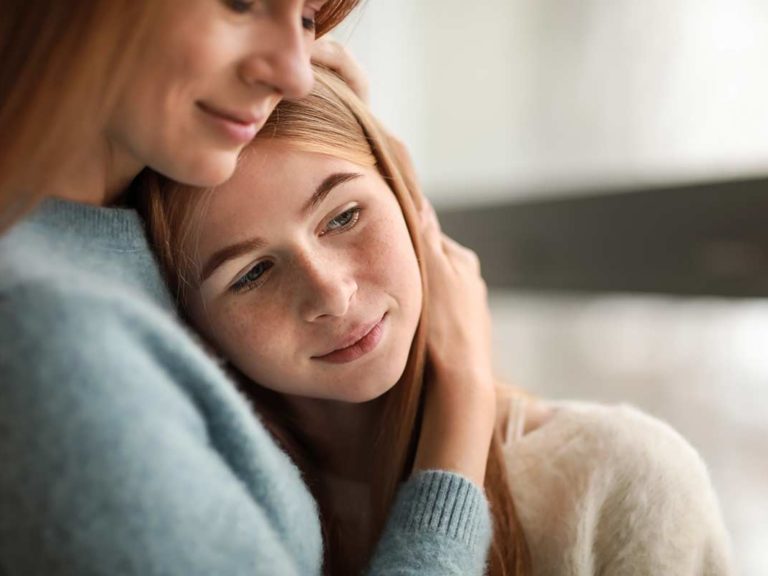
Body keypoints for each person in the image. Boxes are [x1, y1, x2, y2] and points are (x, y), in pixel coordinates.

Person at [140, 66, 735, 576]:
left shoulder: (620, 477)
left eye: (343, 216)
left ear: (409, 205)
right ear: (194, 329)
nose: (331, 292)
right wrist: (466, 393)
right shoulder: (207, 517)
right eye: (250, 274)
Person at [0, 3, 498, 575]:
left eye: (307, 17)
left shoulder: (119, 225)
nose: (295, 73)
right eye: (241, 2)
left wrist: (352, 135)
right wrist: (463, 404)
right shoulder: (44, 339)